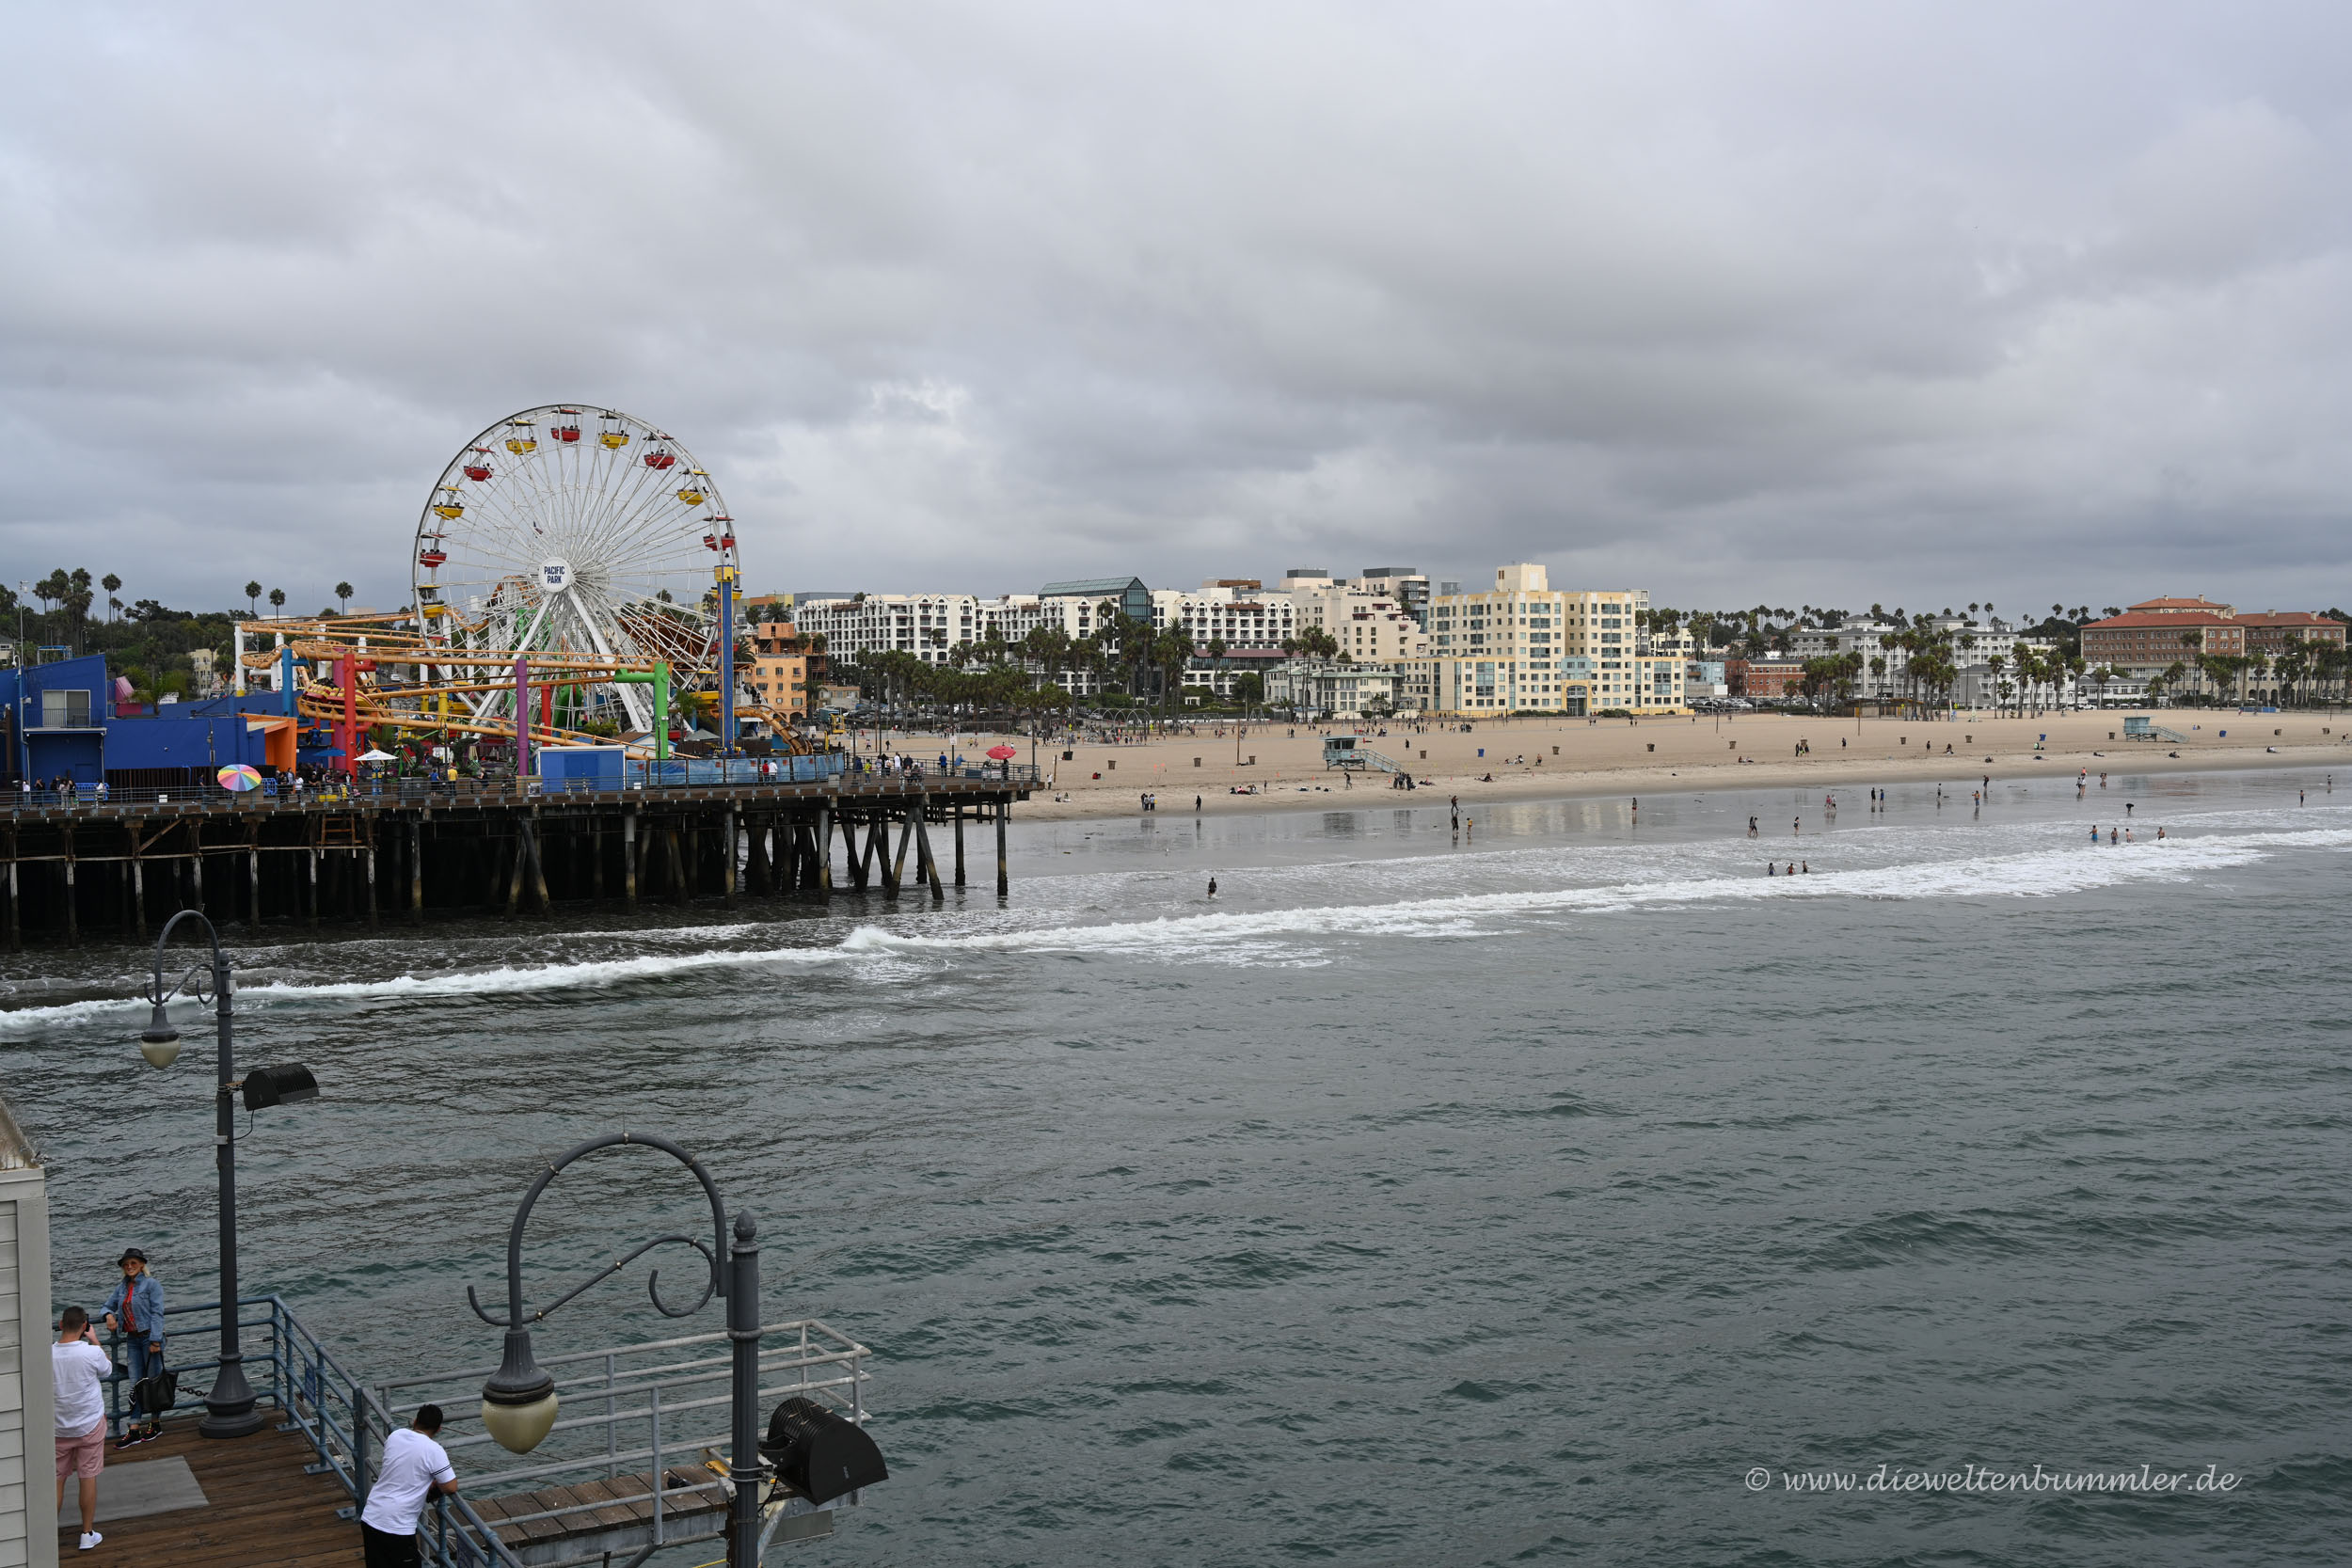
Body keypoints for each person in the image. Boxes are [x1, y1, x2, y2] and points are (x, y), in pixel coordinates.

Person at [360, 1404, 460, 1566]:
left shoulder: (396, 1435)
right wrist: (433, 1483)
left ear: (414, 1421)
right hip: (397, 1526)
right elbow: (451, 1487)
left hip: (371, 1516)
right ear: (438, 1429)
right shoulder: (434, 1450)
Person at [55, 1306, 110, 1552]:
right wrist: (95, 1339)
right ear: (84, 1326)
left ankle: (47, 1535)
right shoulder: (91, 1352)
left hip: (57, 1427)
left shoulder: (46, 1354)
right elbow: (107, 1369)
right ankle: (87, 1534)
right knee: (87, 1476)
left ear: (60, 1325)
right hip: (89, 1425)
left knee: (57, 1479)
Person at [103, 1247, 165, 1446]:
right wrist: (109, 1315)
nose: (129, 1267)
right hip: (132, 1340)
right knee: (135, 1384)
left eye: (133, 1263)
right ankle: (134, 1429)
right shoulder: (122, 1287)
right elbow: (106, 1305)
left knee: (153, 1382)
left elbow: (157, 1313)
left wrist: (155, 1341)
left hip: (149, 1339)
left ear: (142, 1265)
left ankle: (155, 1424)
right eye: (126, 1264)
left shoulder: (151, 1284)